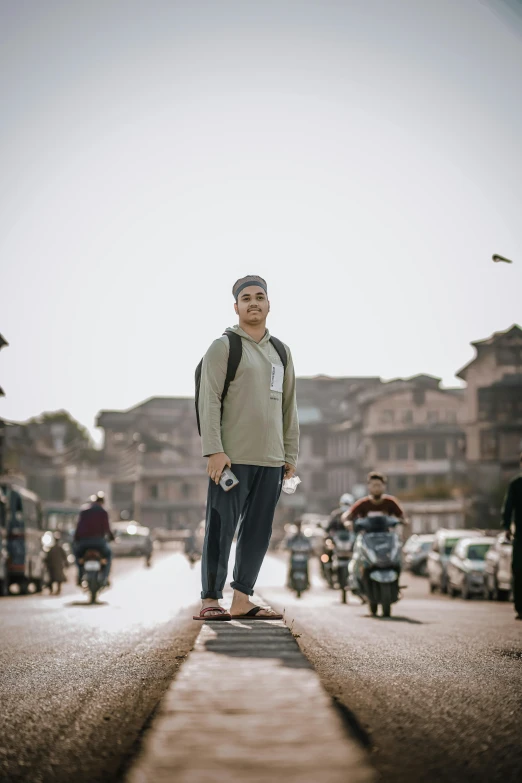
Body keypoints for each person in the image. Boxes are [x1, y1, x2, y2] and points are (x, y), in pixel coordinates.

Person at [195, 275, 299, 621]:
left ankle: (242, 599)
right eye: (246, 298)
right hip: (231, 459)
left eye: (259, 297)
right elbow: (208, 400)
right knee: (221, 528)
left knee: (257, 533)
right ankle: (211, 598)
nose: (253, 303)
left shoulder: (281, 352)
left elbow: (289, 406)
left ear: (269, 304)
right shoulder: (224, 347)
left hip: (271, 461)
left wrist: (290, 455)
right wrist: (213, 450)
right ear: (236, 307)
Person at [73, 492, 114, 585]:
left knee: (77, 556)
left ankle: (80, 574)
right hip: (99, 542)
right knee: (108, 555)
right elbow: (107, 528)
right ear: (102, 502)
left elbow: (78, 527)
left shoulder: (84, 511)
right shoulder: (103, 512)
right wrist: (112, 537)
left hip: (83, 543)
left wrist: (76, 539)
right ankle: (105, 577)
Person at [501, 452, 522, 620]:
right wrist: (507, 526)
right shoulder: (516, 484)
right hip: (521, 535)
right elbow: (508, 507)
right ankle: (520, 606)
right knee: (518, 570)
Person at [285, 520, 313, 588]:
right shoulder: (292, 535)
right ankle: (289, 581)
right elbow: (288, 544)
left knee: (306, 568)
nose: (299, 527)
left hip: (303, 555)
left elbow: (309, 544)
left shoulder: (305, 534)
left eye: (299, 525)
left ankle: (308, 582)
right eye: (298, 525)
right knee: (291, 567)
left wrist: (309, 549)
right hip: (295, 554)